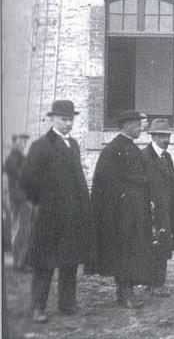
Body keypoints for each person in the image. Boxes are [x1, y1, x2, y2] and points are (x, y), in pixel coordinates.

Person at [18, 100, 94, 323]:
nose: (68, 124)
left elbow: (77, 178)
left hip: (72, 216)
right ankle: (37, 307)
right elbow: (26, 180)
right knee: (44, 262)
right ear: (52, 119)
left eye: (70, 119)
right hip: (50, 216)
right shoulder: (41, 145)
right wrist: (41, 202)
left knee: (70, 260)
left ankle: (67, 303)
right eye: (63, 119)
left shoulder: (74, 145)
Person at [91, 110, 153, 309]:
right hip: (122, 212)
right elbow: (105, 182)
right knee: (124, 251)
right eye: (137, 124)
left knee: (134, 249)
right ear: (127, 125)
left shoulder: (131, 147)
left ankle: (128, 290)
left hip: (136, 210)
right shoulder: (113, 149)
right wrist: (124, 199)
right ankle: (125, 292)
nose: (141, 128)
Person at [142, 118, 174, 295]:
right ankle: (154, 284)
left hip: (167, 208)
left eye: (168, 135)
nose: (166, 140)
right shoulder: (144, 156)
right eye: (162, 136)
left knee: (165, 244)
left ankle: (159, 282)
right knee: (153, 245)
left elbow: (173, 181)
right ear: (154, 136)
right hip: (151, 209)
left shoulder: (167, 157)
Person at [4, 133, 32, 271]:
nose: (24, 144)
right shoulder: (13, 159)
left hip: (23, 199)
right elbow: (23, 175)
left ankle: (21, 262)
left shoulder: (19, 158)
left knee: (24, 231)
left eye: (25, 141)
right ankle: (19, 264)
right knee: (21, 231)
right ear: (15, 142)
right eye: (21, 141)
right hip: (19, 200)